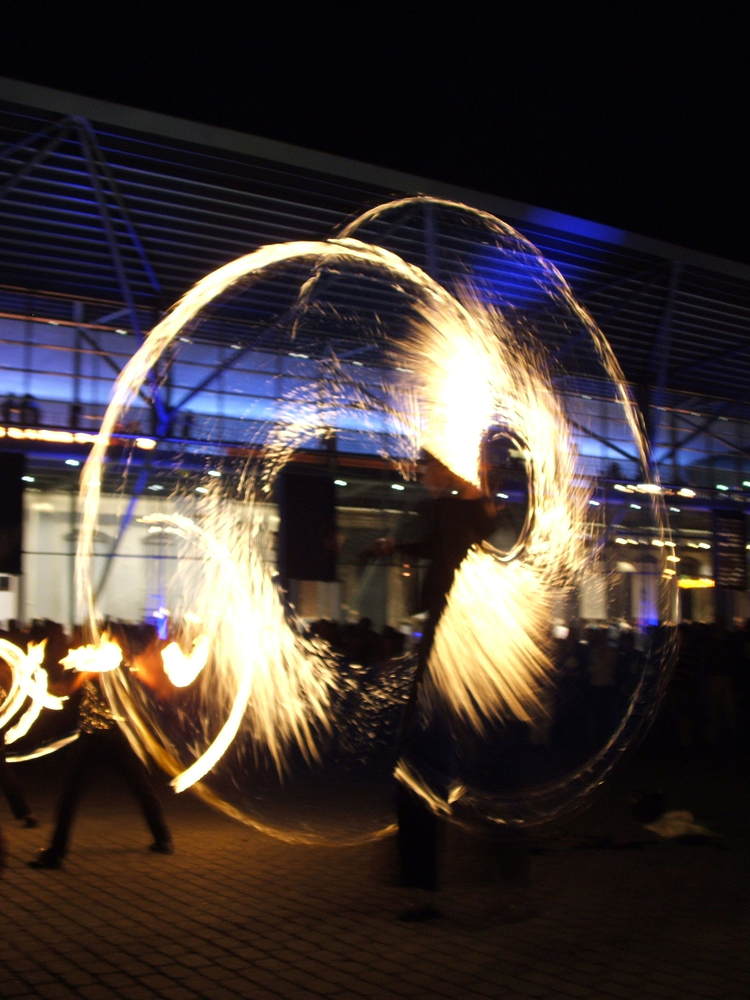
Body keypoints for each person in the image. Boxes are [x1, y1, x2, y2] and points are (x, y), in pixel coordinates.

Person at [367, 451, 497, 920]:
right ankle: (419, 871)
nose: (421, 475)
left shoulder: (466, 508)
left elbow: (468, 536)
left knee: (425, 748)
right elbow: (439, 545)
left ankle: (426, 879)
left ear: (447, 469)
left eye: (428, 468)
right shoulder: (456, 511)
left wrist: (478, 491)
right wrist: (395, 549)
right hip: (448, 622)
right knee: (419, 750)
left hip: (453, 622)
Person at [29, 647, 173, 870]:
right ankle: (163, 839)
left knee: (72, 795)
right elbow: (65, 690)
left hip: (101, 739)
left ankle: (55, 854)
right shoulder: (112, 668)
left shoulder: (106, 668)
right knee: (139, 788)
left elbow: (67, 689)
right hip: (112, 738)